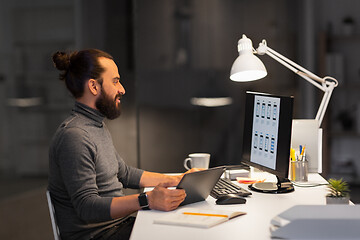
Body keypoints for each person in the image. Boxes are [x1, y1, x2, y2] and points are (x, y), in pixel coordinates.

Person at [48, 49, 194, 240]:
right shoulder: (74, 136)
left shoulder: (95, 126)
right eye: (115, 81)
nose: (122, 89)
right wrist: (147, 200)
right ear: (93, 86)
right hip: (99, 235)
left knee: (185, 228)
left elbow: (123, 173)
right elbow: (87, 207)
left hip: (117, 227)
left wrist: (174, 180)